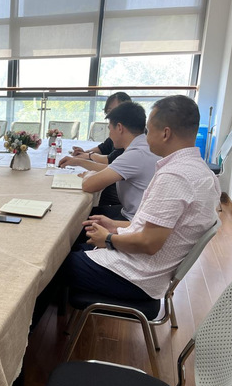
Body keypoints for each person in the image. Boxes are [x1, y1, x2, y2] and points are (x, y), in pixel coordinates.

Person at [55, 95, 221, 305]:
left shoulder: (175, 177)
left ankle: (32, 322)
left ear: (165, 133)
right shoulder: (201, 172)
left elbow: (149, 243)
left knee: (54, 264)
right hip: (146, 268)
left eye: (148, 131)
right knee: (74, 248)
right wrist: (115, 225)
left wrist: (108, 239)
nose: (146, 137)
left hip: (136, 275)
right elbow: (161, 228)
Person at [78, 101, 159, 221]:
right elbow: (110, 169)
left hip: (134, 220)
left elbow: (88, 185)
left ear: (120, 128)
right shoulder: (145, 146)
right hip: (136, 213)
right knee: (84, 214)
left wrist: (88, 174)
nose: (109, 135)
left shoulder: (135, 154)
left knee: (79, 219)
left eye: (110, 129)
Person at [60, 92, 131, 206]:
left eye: (114, 110)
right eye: (109, 111)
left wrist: (83, 162)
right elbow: (104, 147)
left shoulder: (133, 146)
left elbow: (109, 163)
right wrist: (85, 153)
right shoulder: (126, 135)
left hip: (118, 201)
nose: (111, 115)